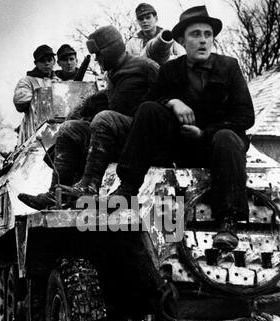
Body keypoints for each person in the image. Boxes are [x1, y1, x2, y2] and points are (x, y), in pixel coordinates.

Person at [76, 5, 255, 252]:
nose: (203, 41)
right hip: (179, 146)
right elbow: (146, 103)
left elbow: (245, 115)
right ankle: (128, 188)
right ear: (181, 40)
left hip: (217, 147)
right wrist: (172, 101)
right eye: (195, 35)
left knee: (227, 136)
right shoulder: (171, 69)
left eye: (207, 34)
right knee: (149, 109)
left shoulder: (229, 66)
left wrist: (205, 132)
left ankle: (228, 221)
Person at [18, 25, 159, 210]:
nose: (96, 59)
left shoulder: (146, 66)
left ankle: (89, 186)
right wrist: (78, 112)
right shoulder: (113, 75)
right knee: (70, 128)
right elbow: (107, 97)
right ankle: (55, 194)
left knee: (103, 119)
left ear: (110, 50)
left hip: (140, 137)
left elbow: (164, 100)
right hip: (116, 136)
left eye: (98, 54)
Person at [13, 45, 59, 141]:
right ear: (36, 63)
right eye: (42, 61)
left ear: (54, 61)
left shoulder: (59, 82)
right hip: (34, 132)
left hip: (58, 129)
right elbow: (20, 101)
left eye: (49, 60)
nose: (46, 63)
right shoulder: (27, 81)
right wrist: (41, 94)